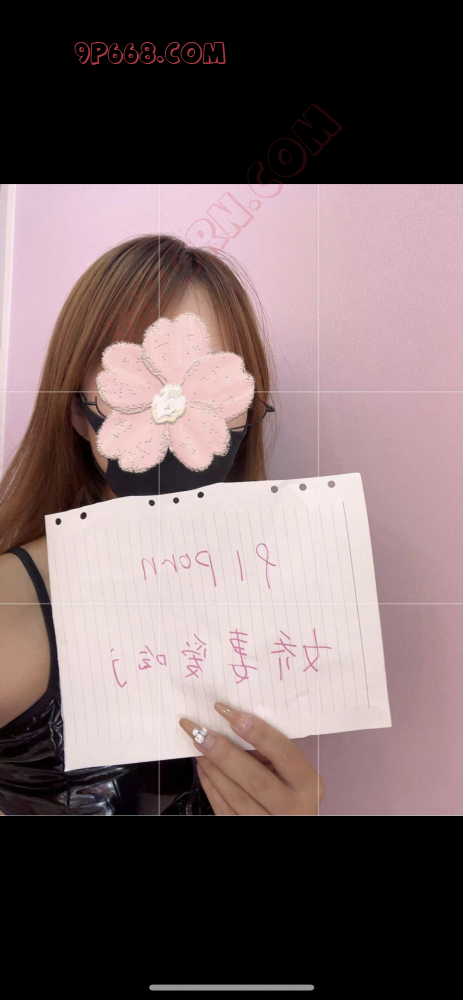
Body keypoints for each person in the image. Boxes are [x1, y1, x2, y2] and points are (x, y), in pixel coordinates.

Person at [0, 234, 325, 815]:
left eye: (212, 384)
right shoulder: (12, 610)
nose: (176, 410)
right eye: (141, 381)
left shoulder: (276, 606)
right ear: (77, 410)